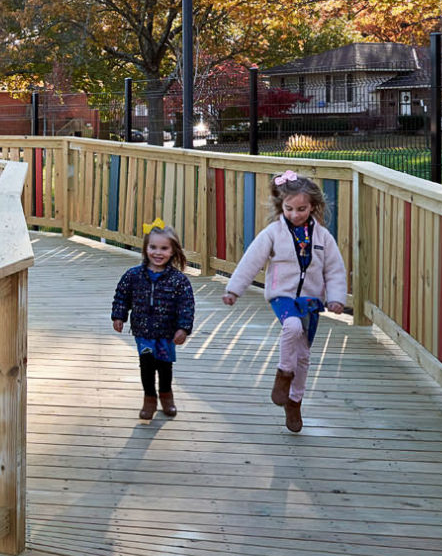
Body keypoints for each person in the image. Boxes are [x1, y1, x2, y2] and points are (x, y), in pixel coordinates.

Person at [224, 170, 347, 432]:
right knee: (292, 327)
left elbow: (334, 269)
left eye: (301, 209)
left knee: (303, 356)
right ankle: (283, 374)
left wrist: (336, 299)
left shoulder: (323, 237)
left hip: (311, 301)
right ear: (282, 206)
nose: (295, 214)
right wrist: (234, 289)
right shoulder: (273, 233)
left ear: (313, 206)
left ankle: (295, 401)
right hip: (282, 295)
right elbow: (251, 261)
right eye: (289, 208)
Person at [111, 220, 196, 420]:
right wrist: (119, 316)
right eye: (153, 247)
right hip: (144, 334)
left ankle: (166, 396)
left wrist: (183, 328)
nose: (158, 253)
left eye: (164, 248)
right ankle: (149, 398)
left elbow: (187, 305)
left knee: (165, 366)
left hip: (166, 334)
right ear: (145, 248)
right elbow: (122, 295)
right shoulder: (134, 276)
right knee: (147, 364)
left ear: (173, 251)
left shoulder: (178, 280)